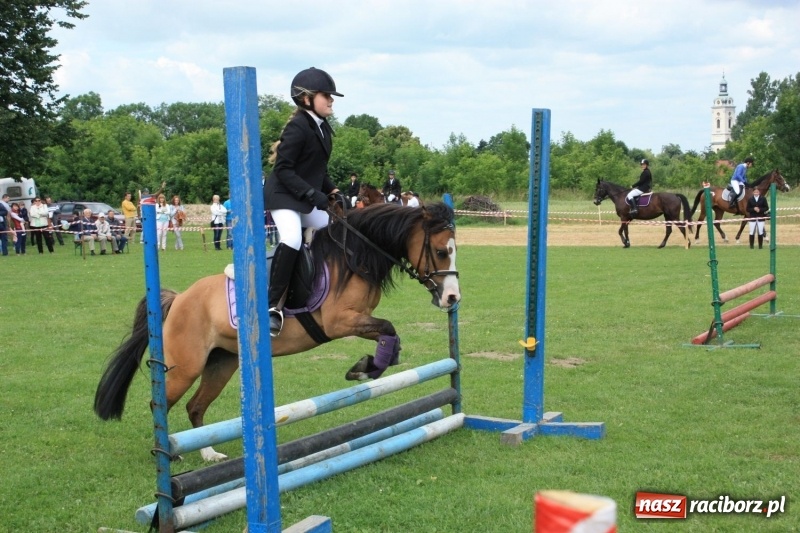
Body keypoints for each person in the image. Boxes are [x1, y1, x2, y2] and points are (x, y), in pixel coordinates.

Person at [262, 66, 342, 337]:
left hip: (300, 195)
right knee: (292, 238)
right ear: (306, 98)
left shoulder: (322, 127)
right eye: (326, 95)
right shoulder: (298, 126)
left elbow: (318, 170)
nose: (331, 100)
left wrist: (333, 191)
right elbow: (284, 170)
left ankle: (316, 287)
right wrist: (311, 194)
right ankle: (273, 305)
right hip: (283, 195)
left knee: (332, 226)